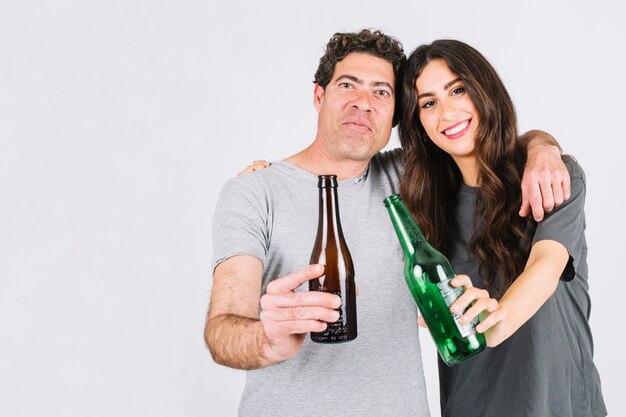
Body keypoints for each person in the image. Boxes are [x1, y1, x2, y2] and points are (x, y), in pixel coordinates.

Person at [206, 29, 569, 417]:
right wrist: (267, 339)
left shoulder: (410, 179)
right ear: (319, 96)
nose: (363, 103)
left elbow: (482, 137)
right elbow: (222, 329)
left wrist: (542, 148)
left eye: (381, 92)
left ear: (397, 115)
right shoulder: (254, 192)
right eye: (348, 85)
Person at [399, 39, 606, 417]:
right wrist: (262, 176)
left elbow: (546, 266)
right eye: (428, 103)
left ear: (485, 89)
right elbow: (343, 170)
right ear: (418, 121)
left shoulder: (553, 178)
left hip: (561, 406)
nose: (447, 113)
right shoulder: (423, 205)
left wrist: (497, 318)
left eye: (458, 89)